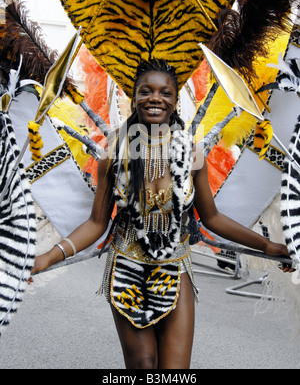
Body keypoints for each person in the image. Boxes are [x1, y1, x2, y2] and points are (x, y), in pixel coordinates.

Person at [31, 59, 292, 369]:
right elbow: (97, 223)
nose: (155, 98)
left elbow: (213, 218)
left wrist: (268, 247)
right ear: (134, 98)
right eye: (146, 91)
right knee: (143, 365)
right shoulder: (115, 152)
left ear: (175, 100)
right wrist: (48, 257)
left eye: (165, 93)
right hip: (126, 269)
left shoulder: (192, 153)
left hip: (175, 269)